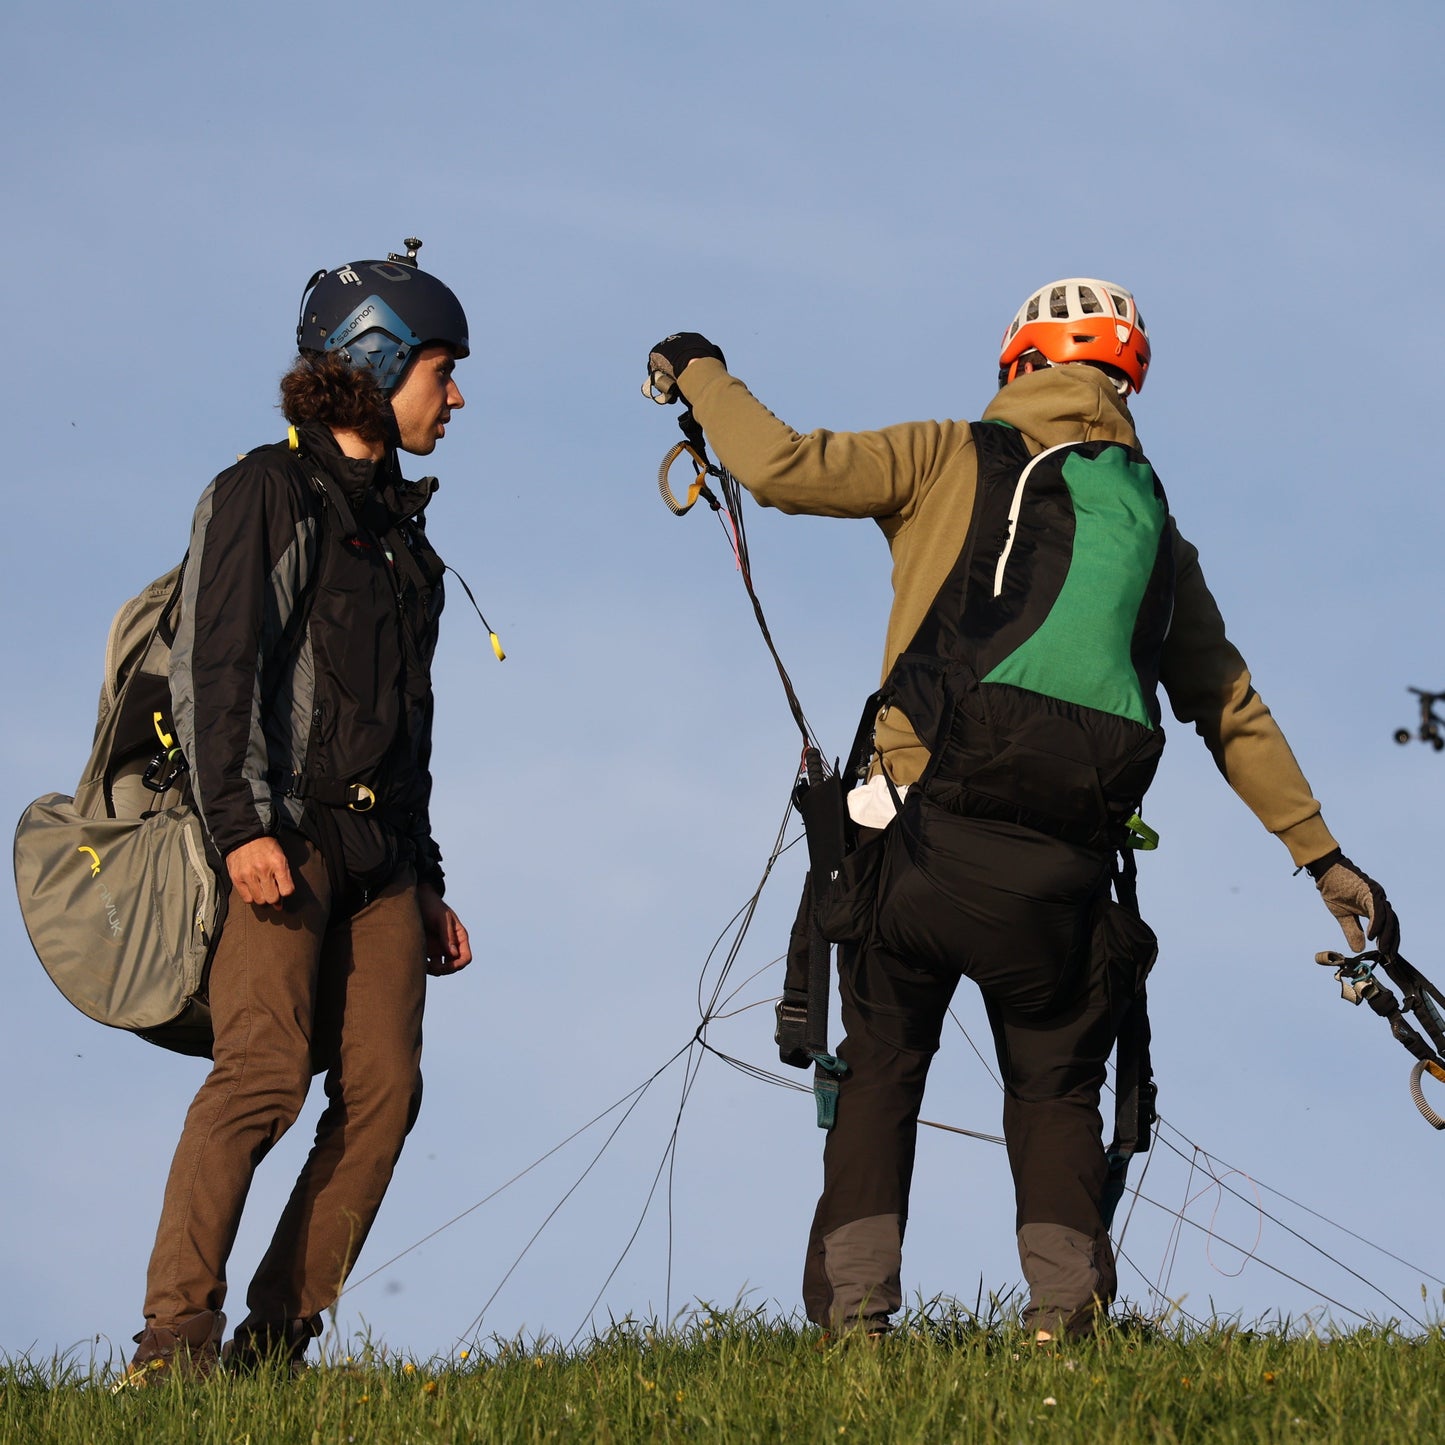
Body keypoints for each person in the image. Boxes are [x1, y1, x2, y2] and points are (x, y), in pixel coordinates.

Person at [642, 279, 1400, 1342]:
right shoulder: (1151, 531)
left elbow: (775, 466)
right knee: (1051, 1090)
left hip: (913, 837)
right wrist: (1321, 857)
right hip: (1062, 874)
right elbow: (1226, 703)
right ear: (1120, 386)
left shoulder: (949, 451)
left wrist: (696, 367)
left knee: (880, 1064)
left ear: (1016, 368)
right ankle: (1064, 1319)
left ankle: (856, 1324)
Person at [121, 240, 475, 1382]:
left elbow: (407, 724)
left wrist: (424, 874)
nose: (457, 396)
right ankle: (175, 1342)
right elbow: (216, 672)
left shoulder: (402, 536)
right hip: (281, 836)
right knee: (263, 1074)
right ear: (373, 366)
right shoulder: (262, 492)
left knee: (384, 1090)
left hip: (379, 857)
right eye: (441, 370)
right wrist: (242, 829)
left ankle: (275, 1344)